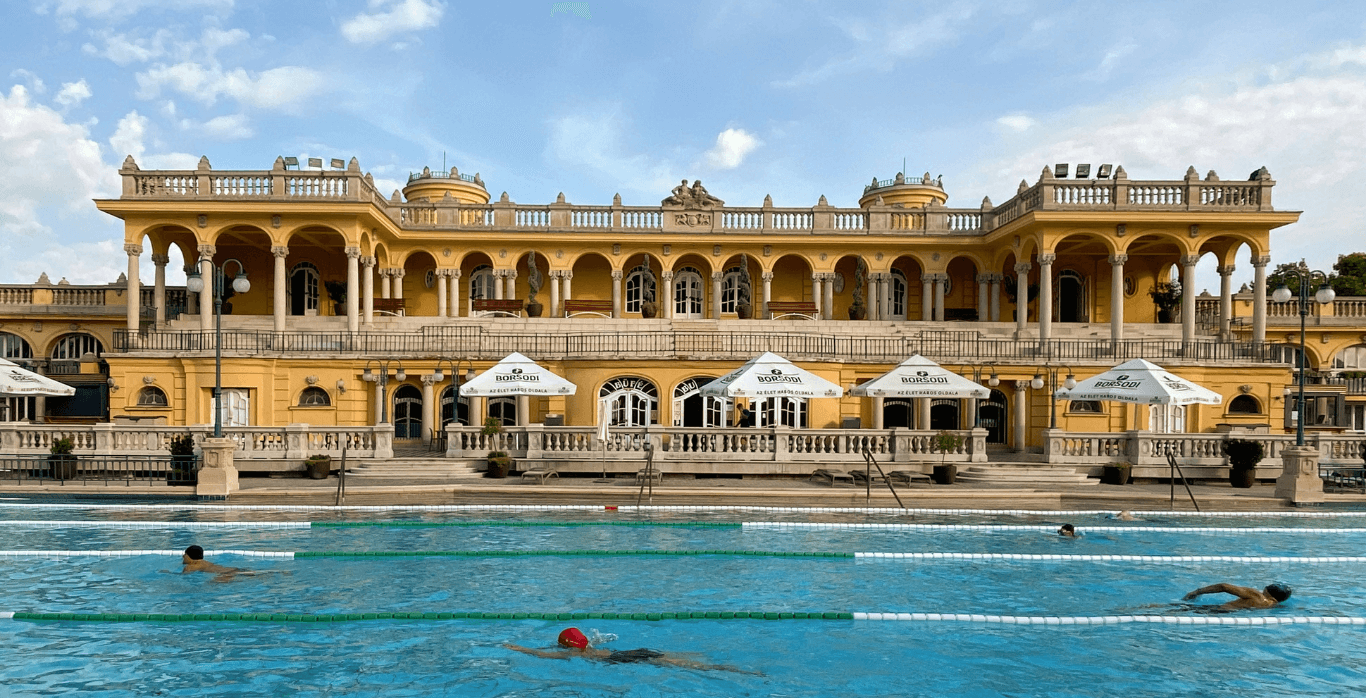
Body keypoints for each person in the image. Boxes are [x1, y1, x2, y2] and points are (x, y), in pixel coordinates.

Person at [505, 627, 758, 674]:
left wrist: (516, 647)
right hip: (632, 650)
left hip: (622, 659)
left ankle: (725, 669)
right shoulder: (591, 646)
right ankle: (717, 664)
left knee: (674, 664)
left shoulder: (574, 654)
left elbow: (542, 655)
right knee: (671, 658)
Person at [1182, 583, 1292, 610]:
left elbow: (1223, 586)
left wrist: (1196, 592)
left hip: (1216, 610)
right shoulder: (1273, 605)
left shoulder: (1257, 596)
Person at [180, 545, 255, 582]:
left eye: (185, 554)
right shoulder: (204, 563)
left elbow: (183, 578)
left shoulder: (191, 566)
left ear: (190, 556)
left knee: (210, 584)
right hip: (234, 570)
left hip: (226, 575)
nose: (183, 556)